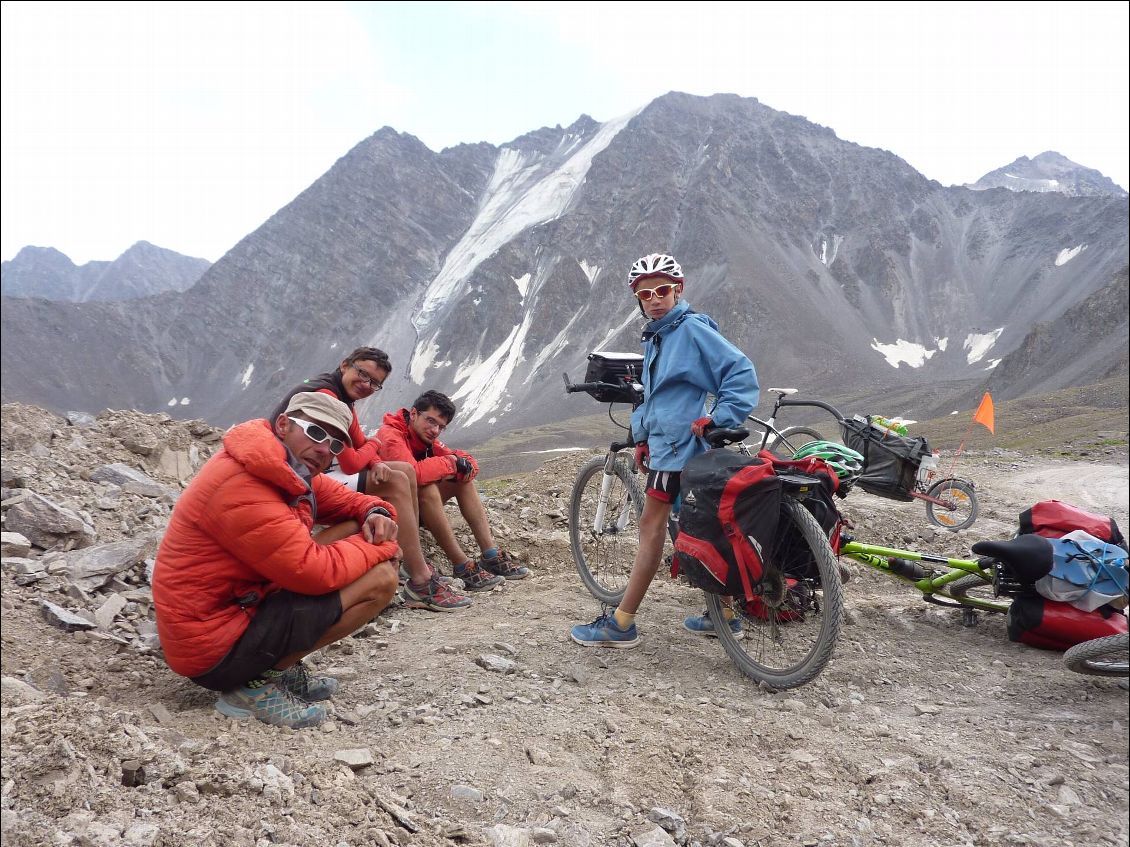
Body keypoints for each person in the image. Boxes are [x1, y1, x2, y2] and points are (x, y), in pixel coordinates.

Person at [153, 391, 401, 729]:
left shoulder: (283, 466)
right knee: (381, 579)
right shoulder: (243, 483)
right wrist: (384, 548)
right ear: (283, 425)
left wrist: (374, 511)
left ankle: (273, 668)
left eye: (336, 445)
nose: (324, 449)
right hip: (213, 648)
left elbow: (346, 500)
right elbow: (313, 572)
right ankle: (252, 688)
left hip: (237, 609)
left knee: (357, 527)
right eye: (315, 433)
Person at [570, 253, 760, 648]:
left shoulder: (690, 330)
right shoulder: (661, 334)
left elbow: (740, 371)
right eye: (646, 293)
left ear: (679, 290)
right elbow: (656, 398)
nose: (655, 298)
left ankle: (622, 623)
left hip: (679, 449)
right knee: (693, 526)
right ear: (638, 299)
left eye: (663, 290)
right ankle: (722, 614)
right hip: (668, 447)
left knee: (650, 529)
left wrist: (720, 417)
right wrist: (642, 438)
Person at [270, 347, 471, 612]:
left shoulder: (342, 397)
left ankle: (413, 561)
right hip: (298, 477)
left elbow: (360, 444)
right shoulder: (328, 397)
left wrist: (374, 458)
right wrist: (375, 445)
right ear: (345, 365)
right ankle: (420, 582)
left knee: (403, 471)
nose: (366, 385)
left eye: (375, 383)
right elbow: (352, 460)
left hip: (307, 474)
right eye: (363, 374)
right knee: (397, 481)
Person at [377, 390, 530, 590]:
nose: (435, 430)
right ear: (413, 414)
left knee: (463, 482)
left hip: (414, 508)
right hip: (391, 513)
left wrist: (457, 464)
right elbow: (413, 475)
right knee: (428, 488)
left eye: (441, 427)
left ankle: (490, 555)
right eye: (430, 421)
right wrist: (451, 463)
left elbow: (466, 462)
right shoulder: (391, 435)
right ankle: (462, 565)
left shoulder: (424, 437)